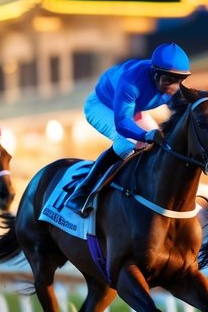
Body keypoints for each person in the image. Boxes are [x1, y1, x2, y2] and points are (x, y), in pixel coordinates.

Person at [64, 43, 191, 214]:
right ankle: (82, 192)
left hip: (133, 110)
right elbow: (123, 123)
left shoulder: (174, 86)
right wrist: (144, 135)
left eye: (178, 81)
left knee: (163, 146)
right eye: (167, 80)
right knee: (127, 144)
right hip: (102, 106)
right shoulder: (131, 82)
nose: (172, 87)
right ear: (155, 74)